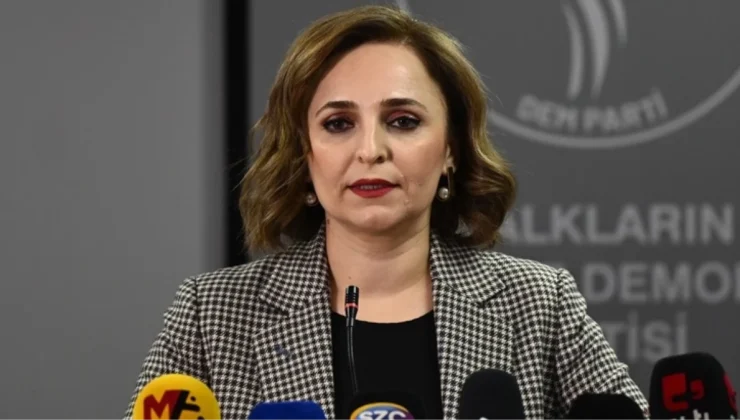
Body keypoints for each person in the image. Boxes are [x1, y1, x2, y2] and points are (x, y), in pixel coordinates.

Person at [122, 5, 647, 420]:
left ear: (451, 149)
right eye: (338, 124)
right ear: (305, 153)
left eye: (402, 121)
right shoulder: (211, 316)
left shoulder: (539, 304)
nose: (370, 150)